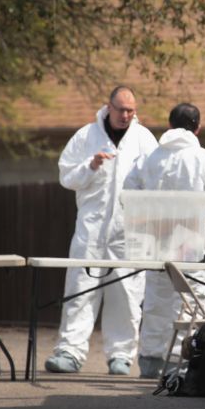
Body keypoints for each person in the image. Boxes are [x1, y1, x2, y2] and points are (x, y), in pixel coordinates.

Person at [46, 86, 158, 375]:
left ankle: (121, 356)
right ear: (108, 107)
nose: (125, 115)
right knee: (80, 290)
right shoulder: (86, 136)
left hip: (129, 232)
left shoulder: (144, 139)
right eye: (120, 109)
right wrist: (91, 165)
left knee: (127, 294)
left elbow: (158, 179)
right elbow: (66, 176)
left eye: (130, 110)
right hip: (91, 230)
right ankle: (69, 352)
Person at [124, 103, 205, 379]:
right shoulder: (204, 159)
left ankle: (150, 360)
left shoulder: (150, 158)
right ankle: (182, 363)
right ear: (198, 128)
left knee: (156, 302)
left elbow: (128, 195)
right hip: (194, 247)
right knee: (192, 303)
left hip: (156, 245)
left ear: (170, 125)